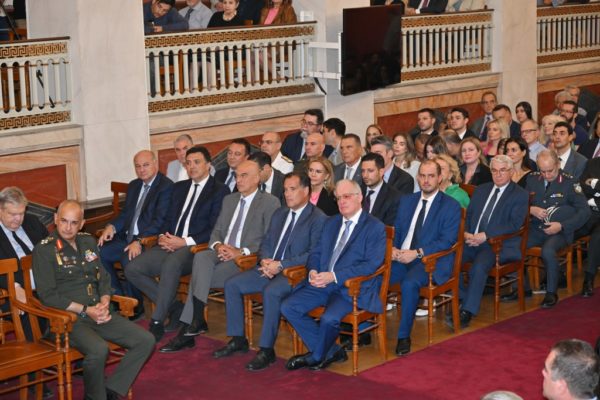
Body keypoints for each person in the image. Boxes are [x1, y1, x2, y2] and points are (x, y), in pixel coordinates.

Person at [33, 200, 155, 400]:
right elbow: (47, 295)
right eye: (63, 221)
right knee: (99, 350)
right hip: (69, 319)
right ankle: (94, 396)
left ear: (82, 224)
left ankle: (112, 391)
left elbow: (103, 277)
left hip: (99, 311)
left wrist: (105, 300)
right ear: (55, 219)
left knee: (145, 340)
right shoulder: (44, 249)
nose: (68, 227)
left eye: (74, 222)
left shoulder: (88, 242)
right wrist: (85, 310)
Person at [211, 172, 326, 370]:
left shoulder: (318, 218)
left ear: (306, 190)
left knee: (271, 292)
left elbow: (313, 254)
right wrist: (265, 260)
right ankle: (238, 339)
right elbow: (266, 242)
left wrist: (280, 265)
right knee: (232, 284)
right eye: (285, 190)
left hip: (294, 273)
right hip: (268, 268)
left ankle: (266, 350)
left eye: (292, 189)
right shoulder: (280, 213)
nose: (287, 194)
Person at [160, 160, 280, 349]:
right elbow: (216, 232)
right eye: (237, 175)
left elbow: (268, 239)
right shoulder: (230, 200)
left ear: (258, 178)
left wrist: (240, 252)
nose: (238, 180)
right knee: (201, 257)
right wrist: (218, 246)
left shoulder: (269, 202)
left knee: (199, 278)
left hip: (244, 258)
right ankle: (195, 322)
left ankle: (189, 328)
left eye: (244, 175)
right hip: (221, 251)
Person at [125, 146, 229, 341]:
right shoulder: (179, 188)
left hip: (195, 248)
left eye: (197, 162)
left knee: (171, 263)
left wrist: (184, 242)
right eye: (188, 163)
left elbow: (215, 228)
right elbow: (166, 219)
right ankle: (174, 307)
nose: (192, 166)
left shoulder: (219, 190)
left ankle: (157, 321)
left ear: (208, 165)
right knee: (133, 269)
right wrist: (163, 237)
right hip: (170, 243)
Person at [281, 179, 386, 371]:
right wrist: (313, 270)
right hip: (322, 282)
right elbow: (316, 252)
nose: (342, 202)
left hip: (350, 289)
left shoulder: (374, 227)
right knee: (288, 307)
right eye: (338, 198)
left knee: (329, 319)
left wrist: (334, 276)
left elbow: (371, 265)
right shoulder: (331, 222)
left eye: (346, 196)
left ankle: (317, 356)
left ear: (360, 197)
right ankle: (331, 352)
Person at [448, 155, 529, 329]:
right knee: (450, 260)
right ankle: (463, 299)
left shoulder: (520, 194)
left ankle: (467, 311)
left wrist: (486, 235)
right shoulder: (481, 190)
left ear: (511, 172)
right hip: (471, 240)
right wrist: (466, 233)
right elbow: (469, 215)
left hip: (495, 244)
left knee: (478, 267)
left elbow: (514, 224)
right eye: (494, 170)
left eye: (503, 170)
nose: (498, 174)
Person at [391, 160, 461, 355]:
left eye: (431, 176)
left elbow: (447, 241)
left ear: (440, 178)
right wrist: (393, 248)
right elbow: (397, 230)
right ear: (417, 177)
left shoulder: (450, 206)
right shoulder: (407, 201)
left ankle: (403, 336)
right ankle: (363, 329)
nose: (426, 180)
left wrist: (417, 253)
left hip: (430, 260)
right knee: (376, 275)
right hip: (402, 257)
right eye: (422, 176)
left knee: (409, 283)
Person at [98, 150, 173, 317]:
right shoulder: (134, 185)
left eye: (145, 165)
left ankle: (135, 307)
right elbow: (125, 214)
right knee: (99, 253)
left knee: (129, 258)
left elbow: (159, 221)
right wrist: (111, 227)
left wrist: (139, 240)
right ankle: (119, 299)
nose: (142, 170)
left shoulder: (166, 187)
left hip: (148, 241)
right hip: (125, 237)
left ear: (155, 164)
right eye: (138, 166)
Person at [522, 149, 590, 308]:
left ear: (558, 165)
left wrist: (562, 225)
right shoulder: (532, 179)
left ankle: (551, 293)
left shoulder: (570, 182)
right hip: (536, 228)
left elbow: (584, 212)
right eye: (542, 171)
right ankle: (523, 288)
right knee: (514, 245)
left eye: (550, 171)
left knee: (548, 251)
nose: (546, 175)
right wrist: (530, 209)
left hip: (560, 231)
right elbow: (519, 204)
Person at [577, 157, 600, 297]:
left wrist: (593, 182)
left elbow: (589, 186)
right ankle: (558, 275)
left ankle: (588, 279)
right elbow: (581, 187)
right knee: (566, 229)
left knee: (597, 237)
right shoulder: (592, 163)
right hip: (589, 212)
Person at [361, 153, 401, 226]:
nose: (365, 175)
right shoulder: (356, 191)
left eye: (370, 171)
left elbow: (388, 227)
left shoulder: (394, 197)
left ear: (381, 172)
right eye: (363, 171)